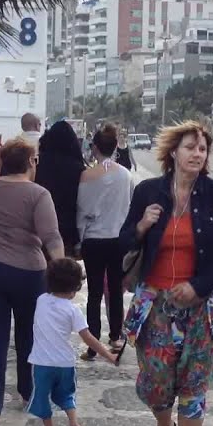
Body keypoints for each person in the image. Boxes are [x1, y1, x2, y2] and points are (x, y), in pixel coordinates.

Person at [121, 121, 213, 426]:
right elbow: (124, 241)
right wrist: (143, 226)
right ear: (173, 152)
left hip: (202, 308)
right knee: (155, 385)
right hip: (155, 305)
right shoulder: (148, 191)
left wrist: (199, 286)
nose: (198, 154)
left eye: (202, 149)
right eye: (190, 147)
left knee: (194, 385)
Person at [0, 138, 66, 426]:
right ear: (30, 163)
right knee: (28, 336)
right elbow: (51, 236)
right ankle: (28, 394)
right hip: (28, 273)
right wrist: (62, 268)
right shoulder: (39, 194)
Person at [28, 258, 118, 426]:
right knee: (66, 395)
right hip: (65, 364)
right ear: (75, 287)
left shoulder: (41, 301)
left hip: (42, 363)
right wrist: (109, 355)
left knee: (42, 397)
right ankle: (74, 425)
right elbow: (89, 338)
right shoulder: (73, 310)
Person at [77, 124, 135, 361]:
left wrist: (79, 239)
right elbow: (131, 206)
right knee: (115, 289)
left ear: (95, 147)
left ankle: (92, 342)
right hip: (117, 239)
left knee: (94, 291)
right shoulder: (126, 174)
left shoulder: (88, 174)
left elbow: (82, 210)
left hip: (94, 239)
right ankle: (115, 336)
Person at [36, 119, 86, 256]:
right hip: (68, 231)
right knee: (63, 274)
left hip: (39, 229)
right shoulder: (79, 169)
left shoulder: (38, 164)